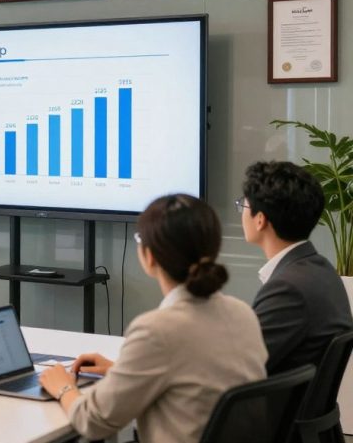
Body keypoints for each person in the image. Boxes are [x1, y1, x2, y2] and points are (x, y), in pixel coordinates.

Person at [39, 194, 267, 442]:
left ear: (149, 257)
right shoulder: (243, 314)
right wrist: (121, 371)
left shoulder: (156, 331)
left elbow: (93, 422)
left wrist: (63, 387)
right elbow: (194, 381)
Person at [240, 160, 353, 374]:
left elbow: (239, 366)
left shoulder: (288, 289)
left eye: (243, 206)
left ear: (260, 220)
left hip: (271, 406)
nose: (242, 213)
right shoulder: (322, 271)